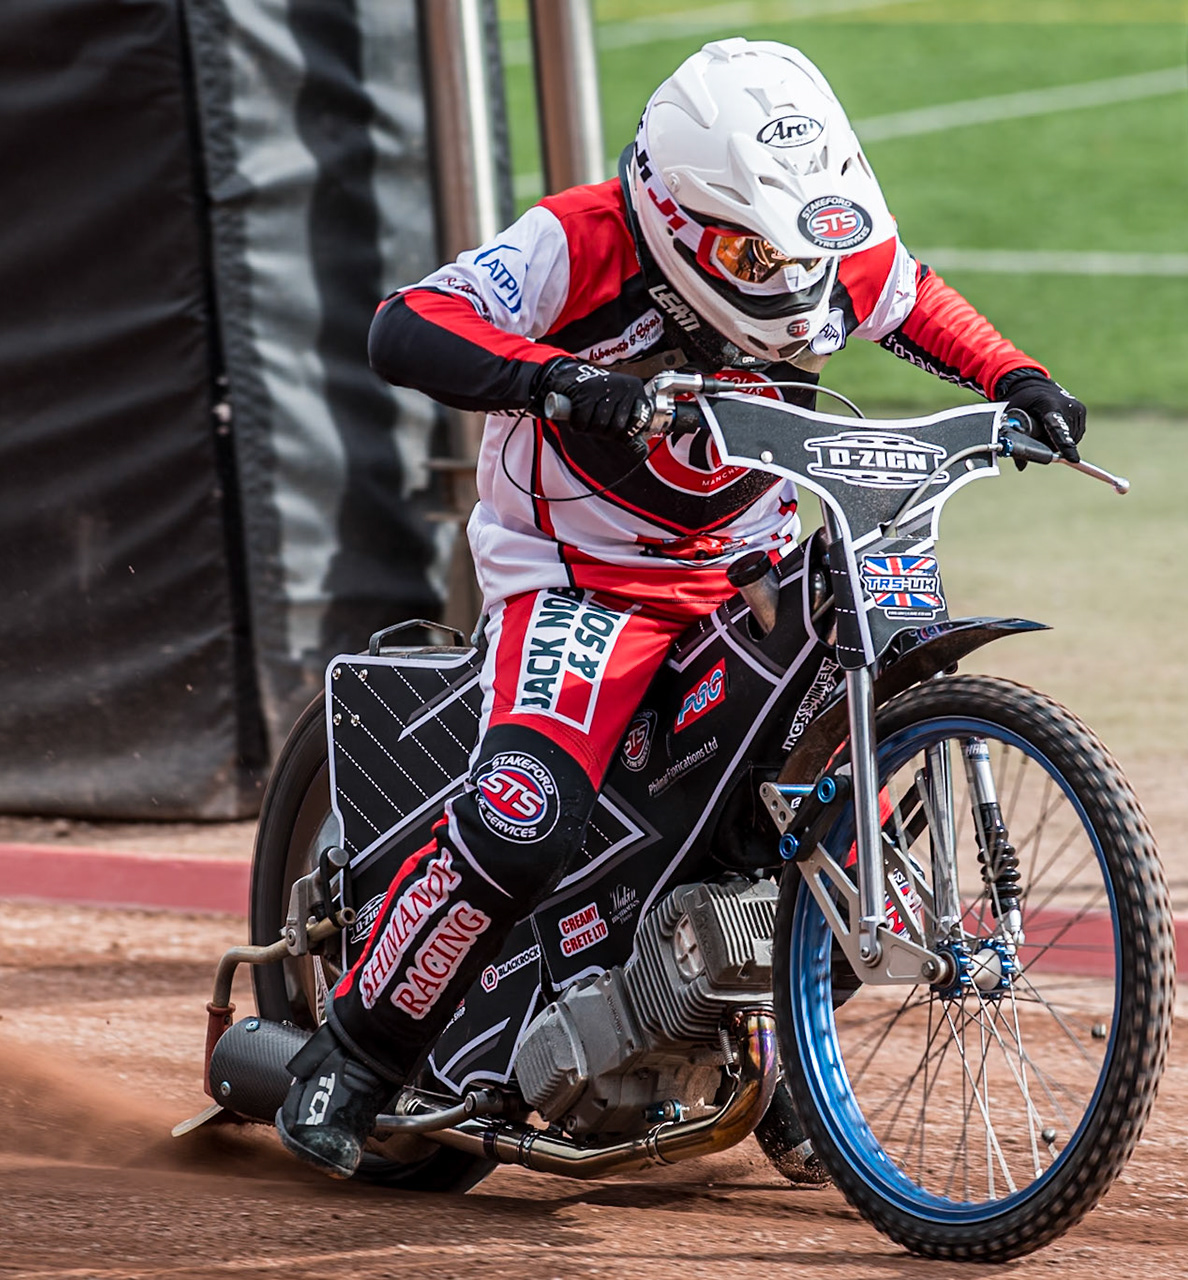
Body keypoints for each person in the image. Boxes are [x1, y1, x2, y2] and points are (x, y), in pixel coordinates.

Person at [274, 37, 1087, 1178]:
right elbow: (407, 324)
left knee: (831, 793)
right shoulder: (577, 238)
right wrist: (556, 379)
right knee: (526, 814)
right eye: (755, 247)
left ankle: (791, 1051)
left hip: (744, 562)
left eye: (806, 240)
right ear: (674, 213)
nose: (791, 271)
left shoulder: (813, 242)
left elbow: (910, 295)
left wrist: (1019, 378)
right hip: (577, 577)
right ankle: (354, 1052)